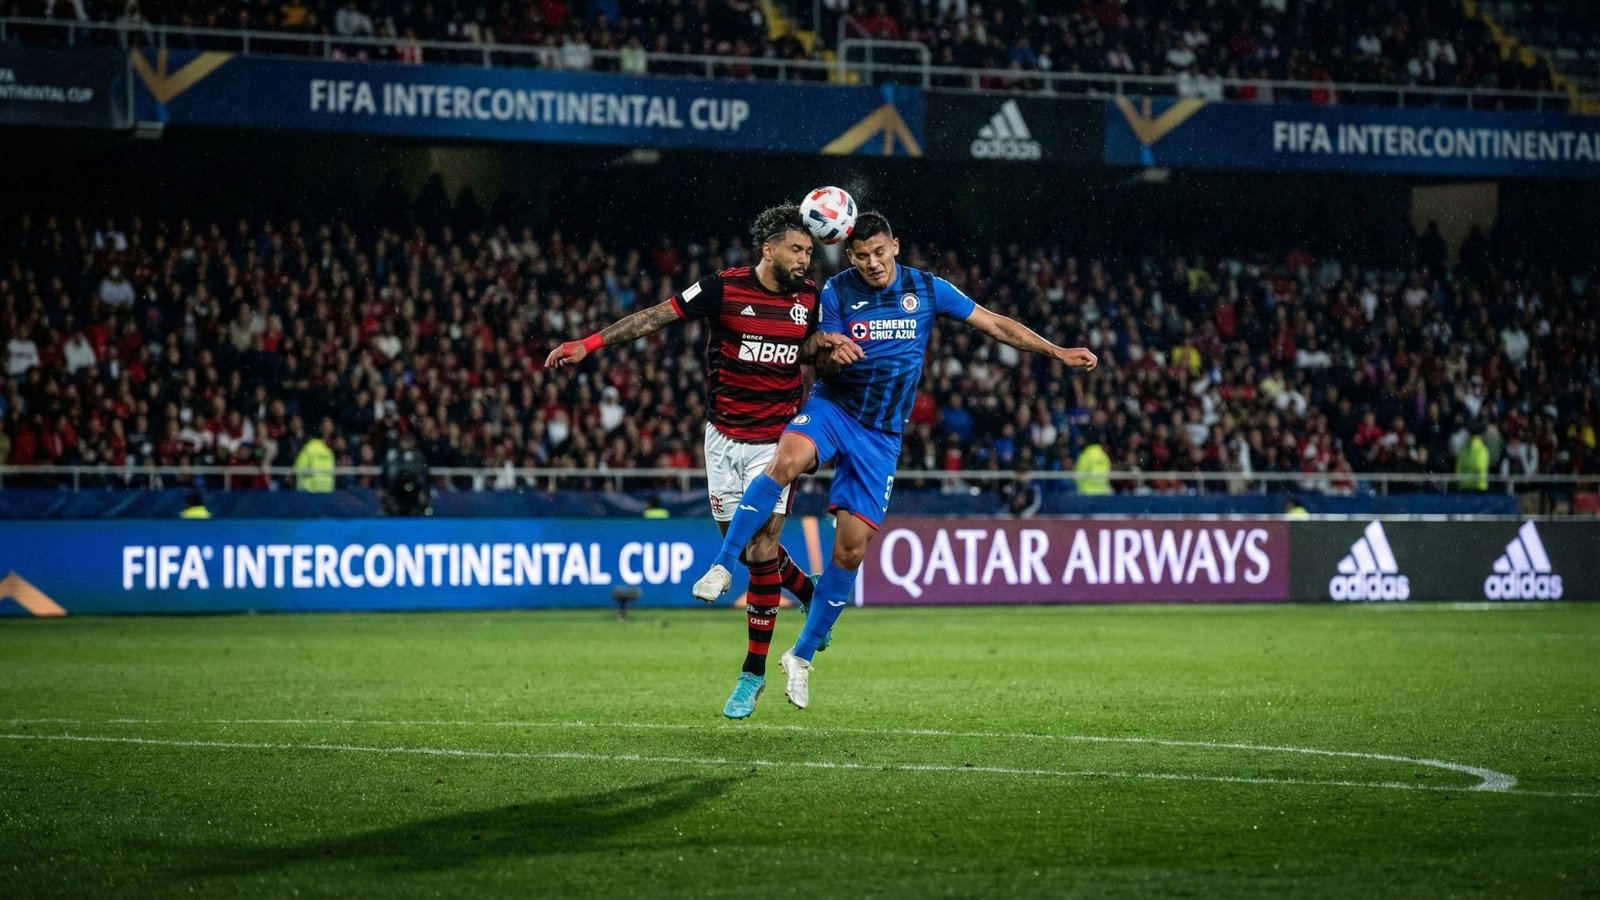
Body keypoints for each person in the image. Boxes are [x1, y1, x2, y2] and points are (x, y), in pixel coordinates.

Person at [691, 211, 1098, 709]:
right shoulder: (837, 291)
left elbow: (993, 323)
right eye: (860, 256)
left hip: (880, 435)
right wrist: (829, 353)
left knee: (850, 551)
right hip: (832, 409)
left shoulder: (928, 290)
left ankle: (800, 658)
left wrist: (1055, 351)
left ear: (896, 247)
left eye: (878, 253)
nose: (871, 263)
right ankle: (722, 565)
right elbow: (816, 349)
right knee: (784, 462)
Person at [546, 204, 851, 720]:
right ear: (768, 249)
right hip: (722, 438)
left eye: (808, 250)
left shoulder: (812, 300)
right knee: (758, 552)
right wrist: (589, 343)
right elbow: (654, 317)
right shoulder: (723, 289)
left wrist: (825, 352)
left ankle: (752, 675)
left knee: (761, 546)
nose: (806, 258)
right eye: (796, 250)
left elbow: (807, 355)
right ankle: (808, 589)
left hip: (776, 442)